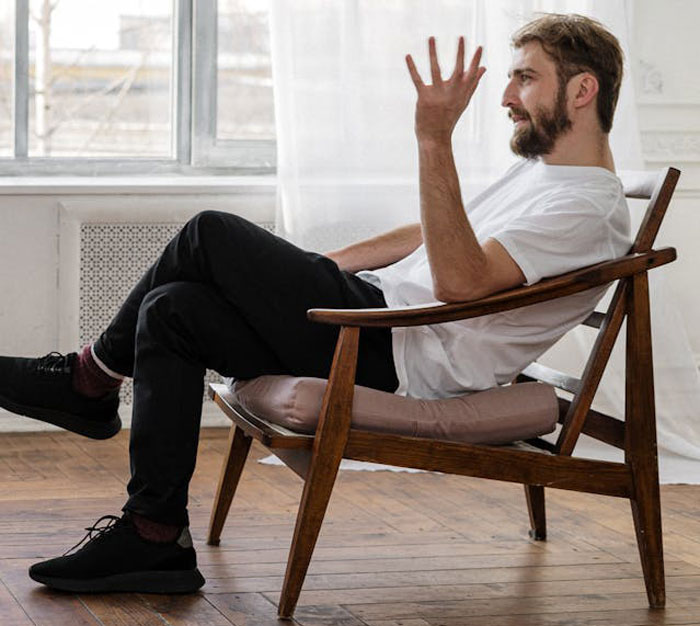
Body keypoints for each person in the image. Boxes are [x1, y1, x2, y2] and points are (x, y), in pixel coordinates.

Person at [0, 13, 630, 593]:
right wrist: (315, 270)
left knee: (209, 232)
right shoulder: (544, 176)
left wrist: (433, 140)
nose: (506, 97)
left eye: (525, 78)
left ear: (582, 91)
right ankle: (155, 535)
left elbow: (461, 283)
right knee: (173, 308)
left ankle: (87, 380)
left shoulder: (586, 208)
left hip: (397, 353)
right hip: (378, 319)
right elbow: (430, 234)